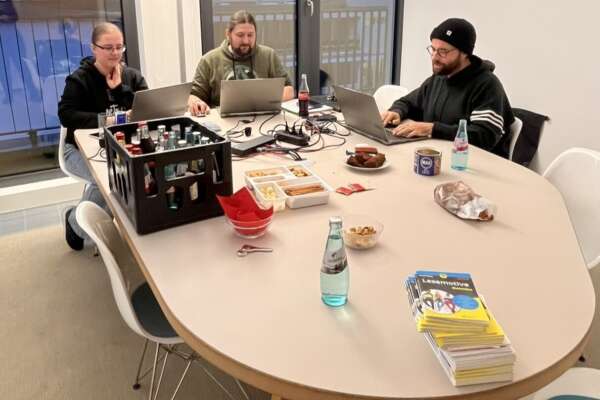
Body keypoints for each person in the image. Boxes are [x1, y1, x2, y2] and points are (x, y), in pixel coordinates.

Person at [58, 22, 148, 250]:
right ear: (94, 48)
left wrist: (119, 89)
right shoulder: (79, 79)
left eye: (119, 47)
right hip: (77, 150)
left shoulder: (132, 77)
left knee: (130, 173)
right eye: (108, 47)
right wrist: (107, 121)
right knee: (112, 179)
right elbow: (66, 115)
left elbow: (146, 109)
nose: (115, 53)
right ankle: (74, 224)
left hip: (121, 147)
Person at [381, 18, 514, 156]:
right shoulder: (439, 78)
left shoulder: (487, 85)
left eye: (443, 51)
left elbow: (484, 136)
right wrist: (397, 111)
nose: (434, 57)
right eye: (433, 49)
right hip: (439, 155)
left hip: (474, 163)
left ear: (464, 53)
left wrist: (432, 129)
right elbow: (408, 102)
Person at [188, 10, 294, 115]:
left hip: (263, 119)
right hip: (223, 122)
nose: (246, 41)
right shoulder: (209, 60)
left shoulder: (269, 55)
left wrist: (263, 101)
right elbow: (193, 95)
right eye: (240, 35)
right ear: (228, 34)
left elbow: (289, 90)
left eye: (250, 35)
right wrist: (196, 103)